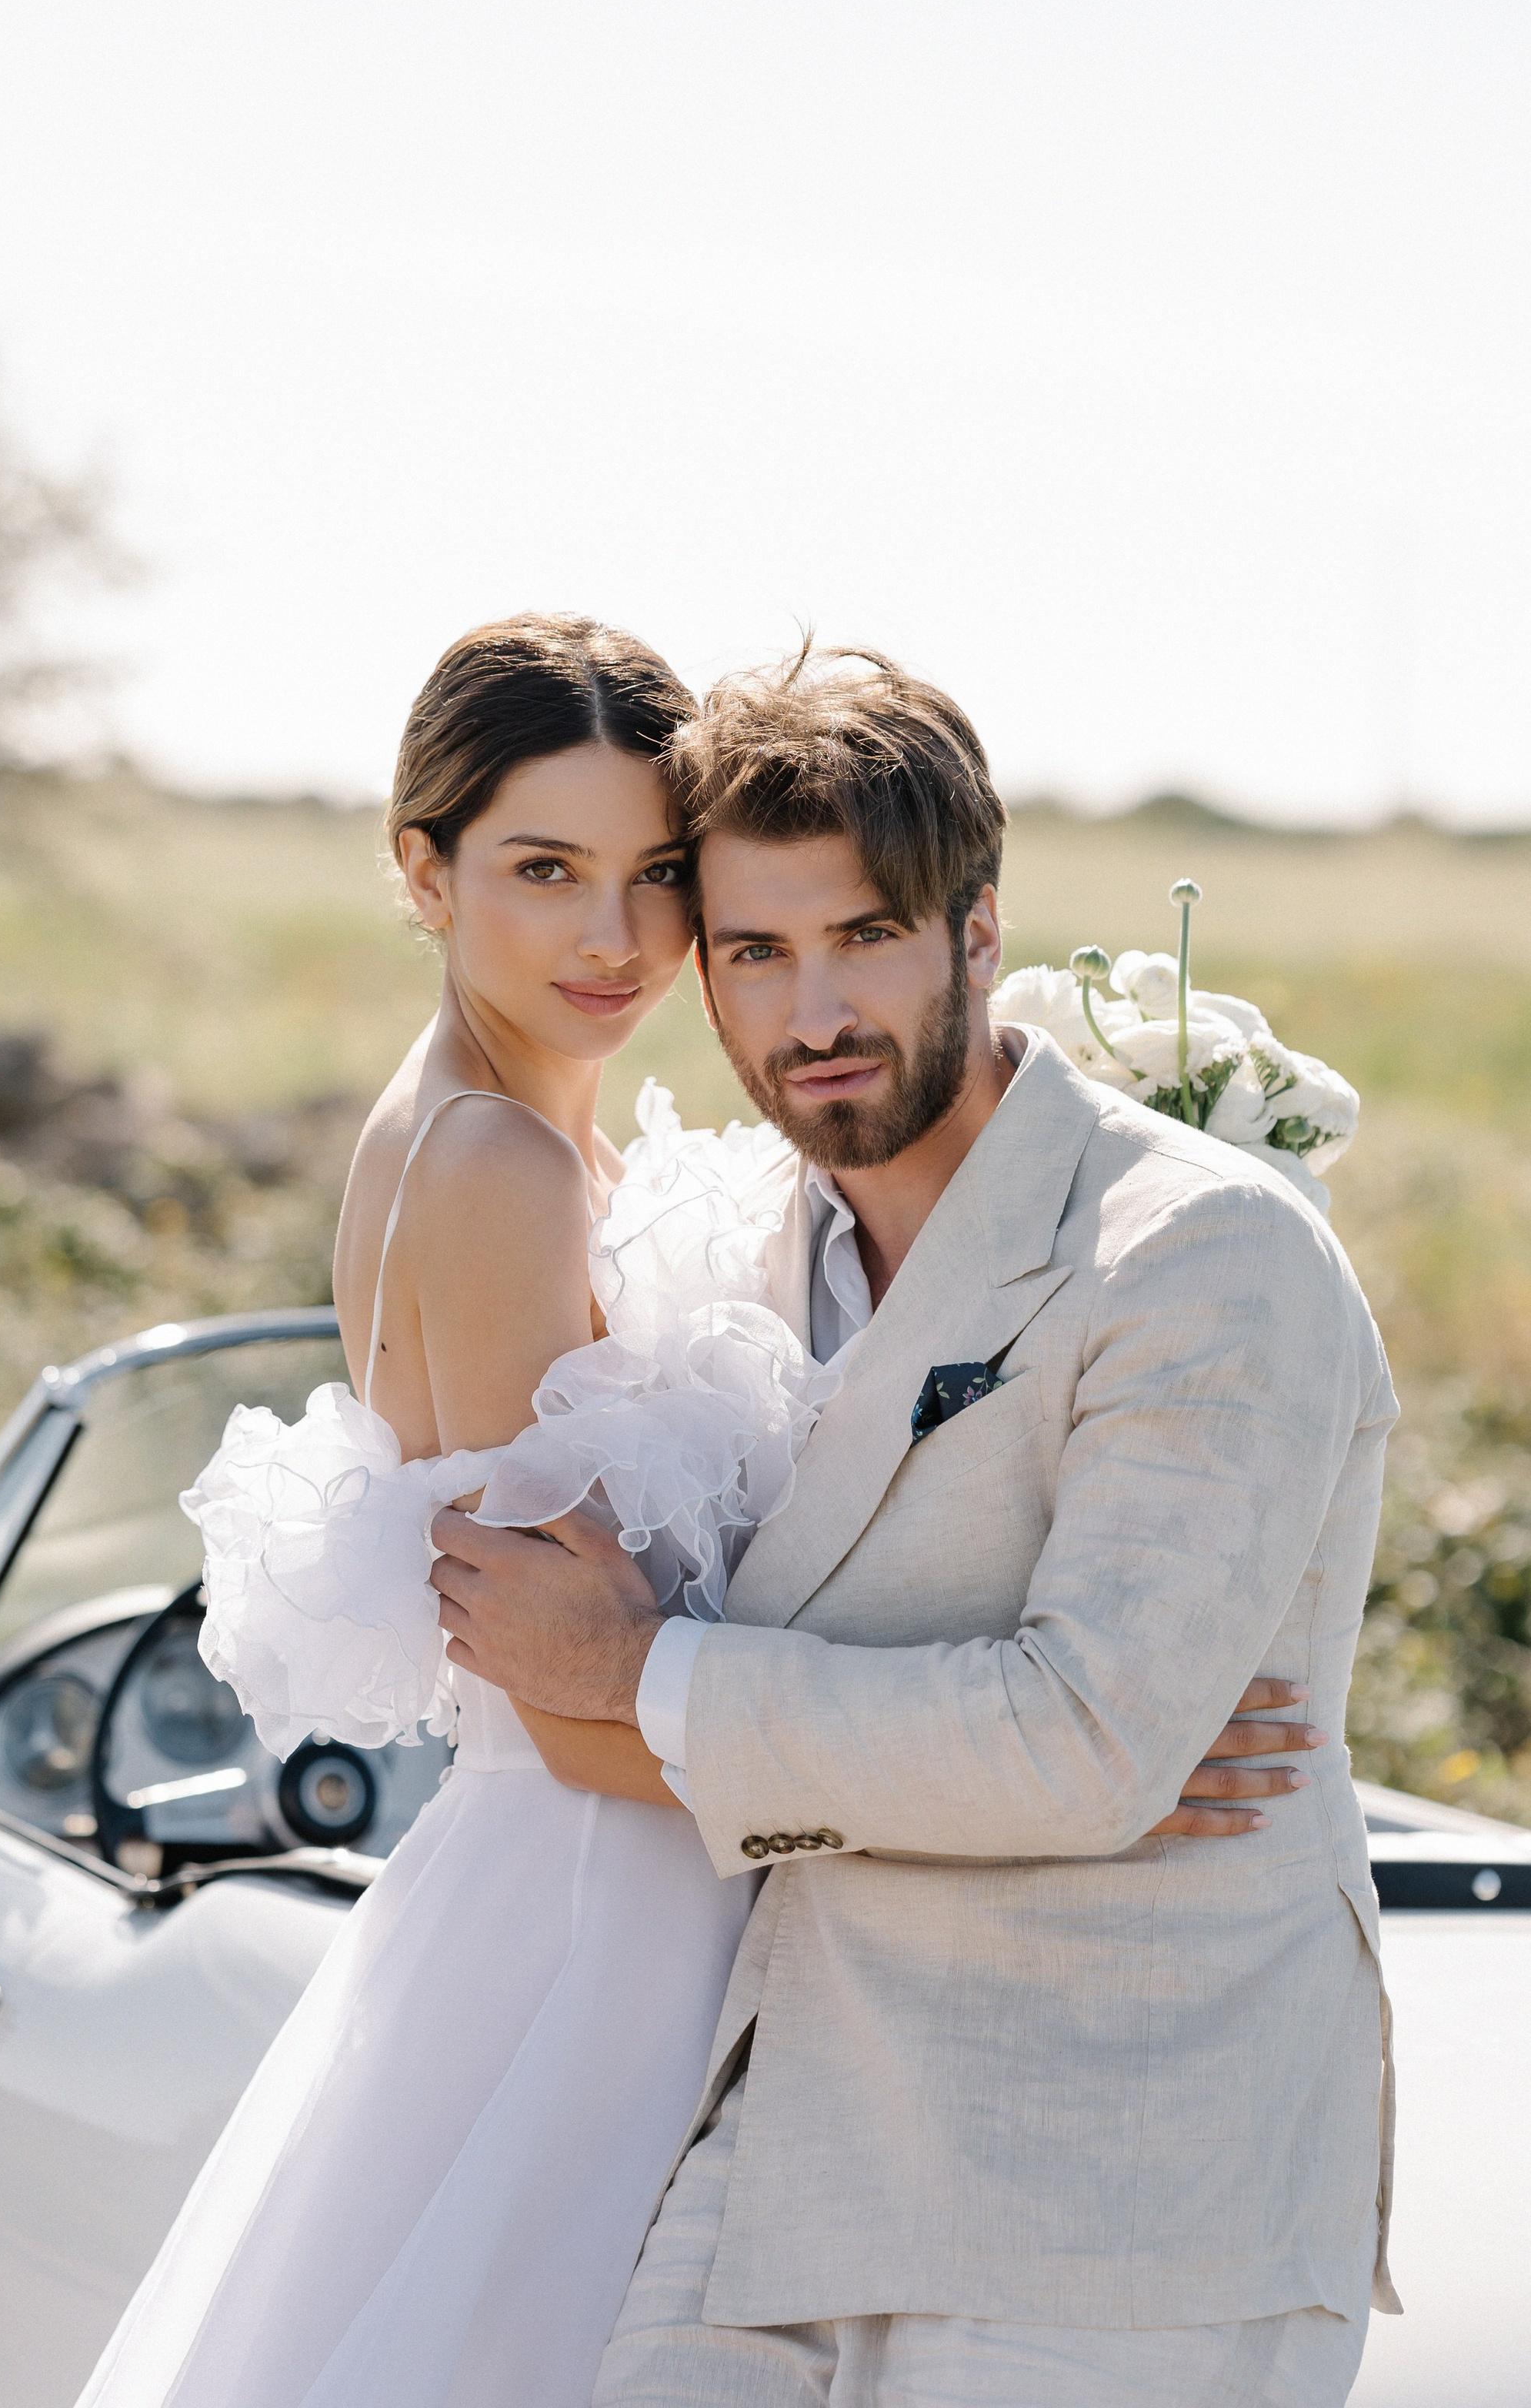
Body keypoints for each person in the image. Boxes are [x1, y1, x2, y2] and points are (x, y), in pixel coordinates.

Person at [78, 617, 1325, 2408]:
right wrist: (1072, 1798)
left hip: (695, 1897)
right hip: (599, 1925)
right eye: (541, 872)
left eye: (654, 877)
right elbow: (575, 1711)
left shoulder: (554, 1144)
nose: (613, 939)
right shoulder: (492, 1168)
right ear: (420, 874)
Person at [434, 642, 1399, 2408]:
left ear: (974, 930)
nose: (812, 1015)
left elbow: (1082, 1749)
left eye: (863, 935)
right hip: (769, 2160)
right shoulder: (724, 1259)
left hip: (1112, 2205)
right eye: (754, 953)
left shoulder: (1200, 1254)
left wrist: (643, 1672)